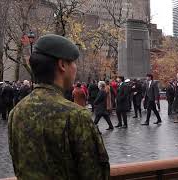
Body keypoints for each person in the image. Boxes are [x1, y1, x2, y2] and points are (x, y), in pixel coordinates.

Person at [8, 34, 109, 179]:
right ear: (62, 65)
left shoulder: (16, 112)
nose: (75, 68)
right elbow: (96, 174)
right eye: (73, 63)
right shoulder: (76, 116)